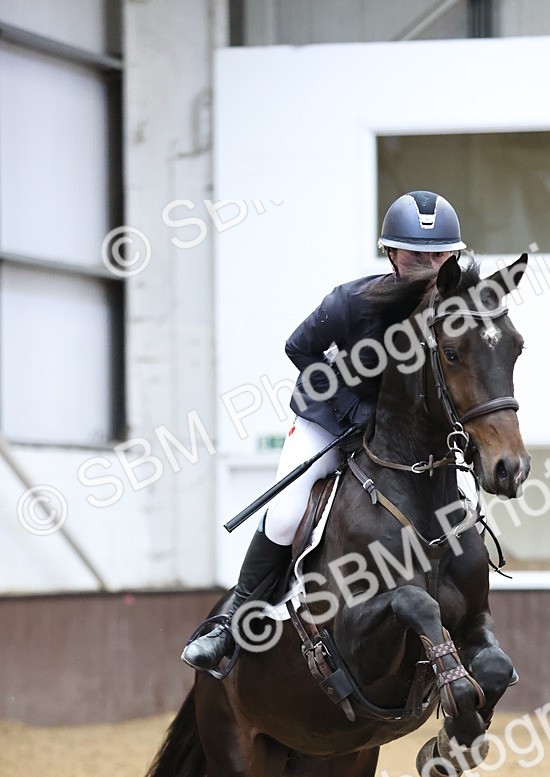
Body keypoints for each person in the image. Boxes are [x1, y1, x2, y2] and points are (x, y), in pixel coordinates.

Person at [181, 190, 466, 672]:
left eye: (440, 257)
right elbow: (299, 348)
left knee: (463, 503)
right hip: (330, 422)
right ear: (391, 255)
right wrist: (348, 404)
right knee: (286, 514)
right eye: (416, 256)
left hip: (401, 440)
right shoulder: (351, 302)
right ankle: (231, 623)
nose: (429, 267)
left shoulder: (453, 315)